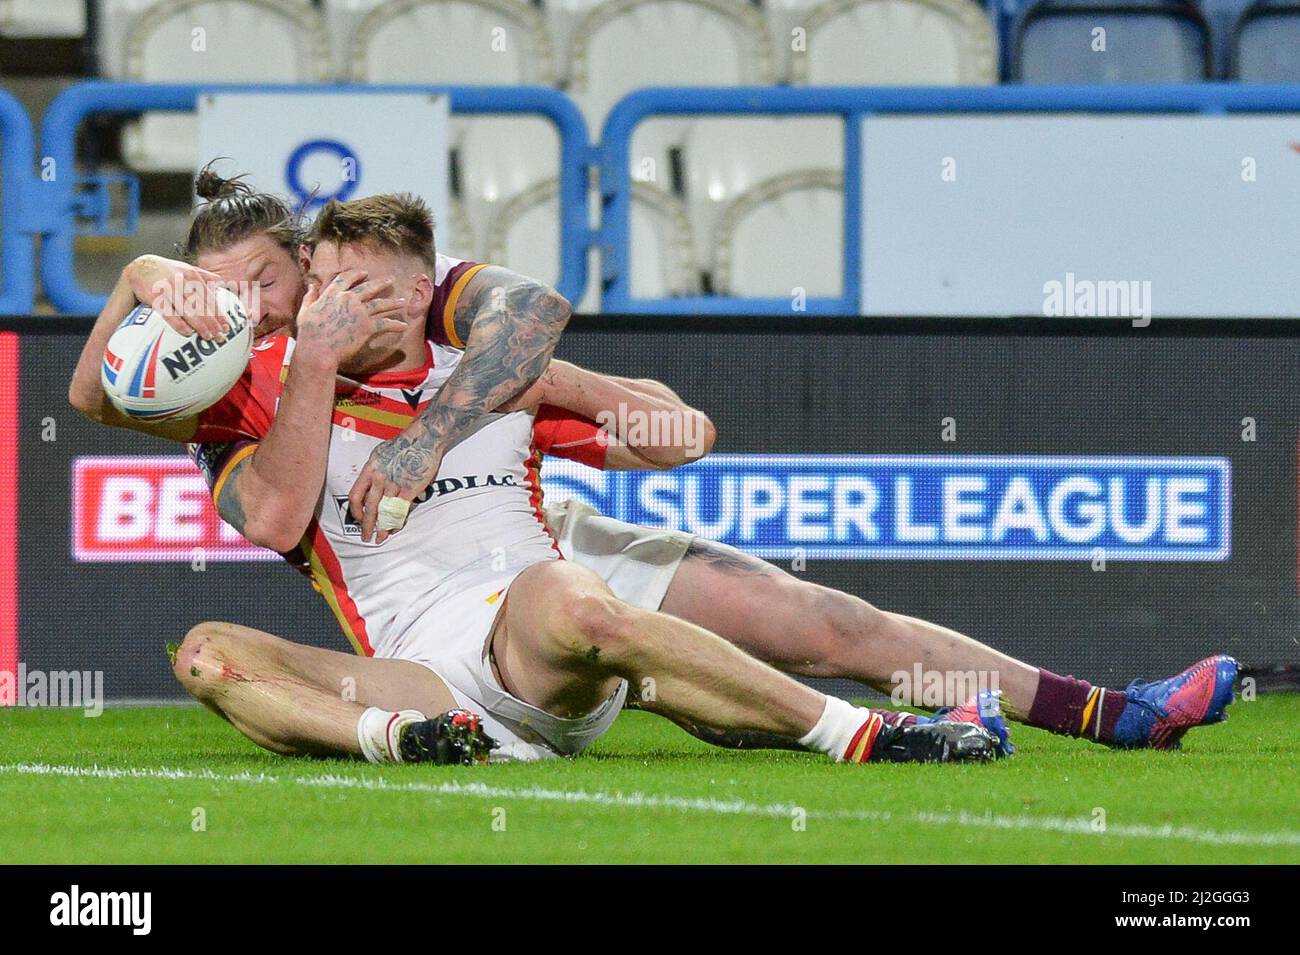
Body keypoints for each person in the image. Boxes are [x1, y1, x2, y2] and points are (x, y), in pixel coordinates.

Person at [68, 172, 1237, 754]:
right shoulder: (259, 385)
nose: (323, 304)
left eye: (354, 287)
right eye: (313, 288)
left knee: (817, 613)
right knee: (209, 652)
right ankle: (408, 739)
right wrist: (133, 281)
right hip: (440, 638)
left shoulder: (476, 349)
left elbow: (644, 418)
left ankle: (1109, 715)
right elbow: (181, 456)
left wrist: (630, 410)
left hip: (552, 563)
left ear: (421, 288)